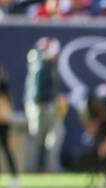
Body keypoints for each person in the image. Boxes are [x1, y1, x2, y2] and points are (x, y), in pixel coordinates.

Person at [24, 37, 65, 174]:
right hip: (41, 105)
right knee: (39, 137)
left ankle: (45, 167)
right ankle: (40, 167)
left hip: (42, 104)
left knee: (47, 136)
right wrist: (50, 101)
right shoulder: (42, 63)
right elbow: (38, 90)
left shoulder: (44, 62)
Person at [0, 65, 18, 188]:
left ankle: (14, 177)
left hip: (3, 119)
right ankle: (14, 177)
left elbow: (8, 101)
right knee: (6, 148)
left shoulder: (3, 84)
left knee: (6, 147)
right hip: (4, 118)